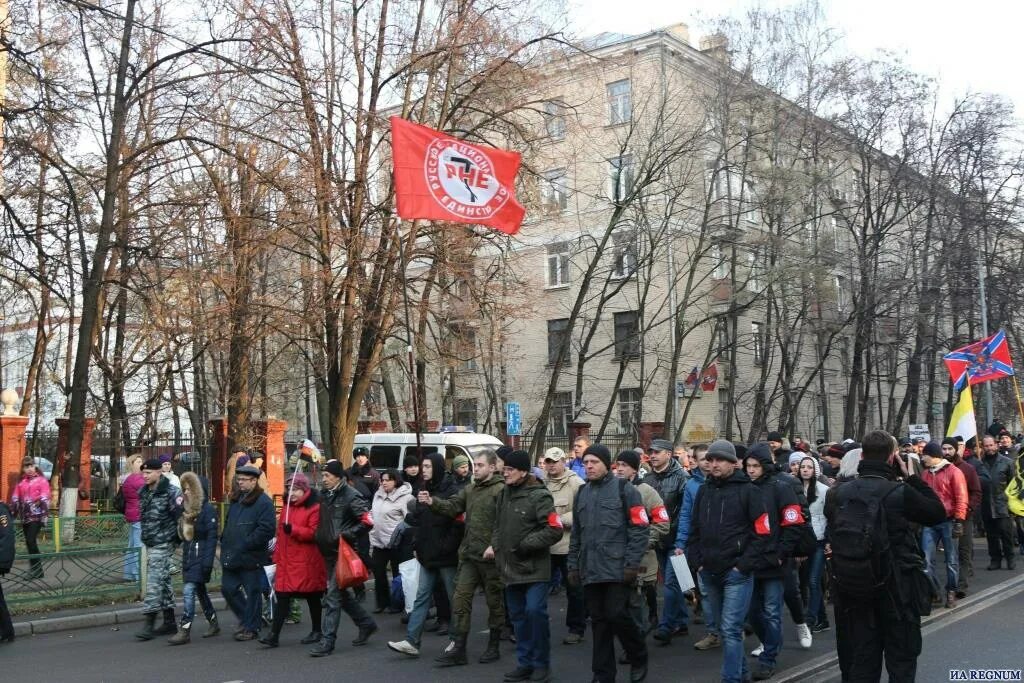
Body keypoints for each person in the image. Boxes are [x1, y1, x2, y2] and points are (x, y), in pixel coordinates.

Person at [824, 430, 946, 682]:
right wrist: (912, 477)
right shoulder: (900, 493)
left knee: (861, 662)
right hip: (897, 590)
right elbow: (936, 512)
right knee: (901, 661)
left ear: (862, 455)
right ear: (892, 458)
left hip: (853, 588)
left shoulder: (838, 493)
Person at [566, 445, 652, 683]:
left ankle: (638, 655)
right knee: (599, 623)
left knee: (617, 615)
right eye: (586, 463)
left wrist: (632, 564)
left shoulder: (625, 490)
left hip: (617, 568)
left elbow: (640, 529)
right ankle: (603, 674)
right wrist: (573, 565)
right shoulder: (582, 493)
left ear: (607, 464)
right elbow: (577, 535)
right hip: (591, 569)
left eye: (594, 462)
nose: (589, 466)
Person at [686, 440, 770, 683]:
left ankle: (730, 678)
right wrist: (697, 561)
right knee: (727, 630)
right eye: (710, 460)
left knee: (732, 629)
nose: (714, 464)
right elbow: (695, 528)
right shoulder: (704, 490)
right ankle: (741, 674)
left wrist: (742, 566)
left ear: (734, 463)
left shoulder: (749, 491)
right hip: (709, 570)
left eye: (719, 460)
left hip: (736, 573)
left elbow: (762, 533)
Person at [424, 450, 506, 666]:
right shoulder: (469, 490)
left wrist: (494, 545)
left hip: (491, 558)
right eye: (474, 465)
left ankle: (494, 645)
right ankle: (459, 649)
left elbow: (505, 523)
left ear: (491, 467)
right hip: (469, 555)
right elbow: (452, 507)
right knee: (460, 600)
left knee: (494, 603)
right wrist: (432, 501)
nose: (475, 468)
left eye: (479, 465)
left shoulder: (501, 491)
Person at [487, 449, 562, 683]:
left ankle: (542, 664)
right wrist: (497, 547)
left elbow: (554, 529)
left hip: (534, 569)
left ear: (522, 471)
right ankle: (525, 663)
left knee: (534, 613)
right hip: (509, 569)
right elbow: (498, 526)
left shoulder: (539, 496)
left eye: (510, 469)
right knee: (518, 617)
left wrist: (526, 544)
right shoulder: (503, 494)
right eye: (505, 468)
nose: (505, 473)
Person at [387, 451, 462, 657]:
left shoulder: (451, 489)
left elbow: (455, 522)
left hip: (446, 555)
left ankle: (457, 641)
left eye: (428, 467)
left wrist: (446, 547)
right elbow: (419, 521)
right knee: (421, 597)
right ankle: (412, 640)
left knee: (454, 598)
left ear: (437, 468)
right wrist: (416, 544)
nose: (424, 470)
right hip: (428, 554)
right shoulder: (423, 488)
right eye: (423, 467)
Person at [743, 444, 807, 680]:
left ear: (765, 465)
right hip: (751, 560)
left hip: (775, 561)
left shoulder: (782, 488)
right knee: (751, 612)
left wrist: (781, 554)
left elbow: (793, 524)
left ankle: (769, 657)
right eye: (748, 466)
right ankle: (769, 642)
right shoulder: (744, 489)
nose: (751, 470)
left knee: (772, 611)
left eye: (755, 466)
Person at [311, 459, 377, 657]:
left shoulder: (351, 495)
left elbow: (367, 521)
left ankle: (327, 641)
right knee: (341, 595)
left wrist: (347, 534)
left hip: (343, 553)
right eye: (323, 476)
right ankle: (366, 624)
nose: (324, 480)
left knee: (332, 597)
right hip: (328, 551)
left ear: (338, 477)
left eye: (327, 476)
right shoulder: (324, 495)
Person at [259, 472, 326, 648]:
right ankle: (274, 635)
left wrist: (294, 530)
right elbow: (281, 535)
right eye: (289, 489)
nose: (292, 493)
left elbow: (314, 533)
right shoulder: (287, 507)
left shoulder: (315, 508)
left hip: (306, 561)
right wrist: (276, 556)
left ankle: (317, 630)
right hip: (287, 561)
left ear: (304, 490)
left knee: (312, 596)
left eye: (296, 489)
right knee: (282, 596)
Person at [614, 450, 670, 639]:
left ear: (635, 470)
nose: (620, 469)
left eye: (625, 466)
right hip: (616, 556)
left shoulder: (646, 492)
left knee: (640, 596)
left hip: (642, 556)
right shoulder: (610, 490)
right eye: (618, 465)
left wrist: (643, 541)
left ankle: (645, 627)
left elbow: (662, 523)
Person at [219, 464, 276, 642]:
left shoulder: (264, 502)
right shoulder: (237, 499)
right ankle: (249, 618)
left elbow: (267, 530)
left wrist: (247, 543)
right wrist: (224, 541)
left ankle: (252, 627)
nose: (240, 483)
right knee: (228, 589)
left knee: (253, 592)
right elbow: (229, 522)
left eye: (244, 480)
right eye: (239, 479)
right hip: (232, 554)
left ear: (254, 481)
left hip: (251, 556)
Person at [643, 438, 689, 645]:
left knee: (671, 582)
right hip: (657, 539)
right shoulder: (648, 479)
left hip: (676, 540)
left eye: (657, 452)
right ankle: (681, 621)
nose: (652, 456)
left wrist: (673, 531)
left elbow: (685, 511)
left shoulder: (682, 478)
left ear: (668, 454)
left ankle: (666, 625)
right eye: (651, 452)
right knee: (675, 582)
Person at [539, 447, 585, 645]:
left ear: (563, 461)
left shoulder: (576, 483)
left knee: (574, 589)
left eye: (555, 461)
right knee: (538, 587)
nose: (551, 465)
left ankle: (576, 628)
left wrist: (560, 519)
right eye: (548, 461)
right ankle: (537, 626)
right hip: (545, 546)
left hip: (568, 546)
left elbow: (584, 511)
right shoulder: (541, 483)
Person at [135, 458, 183, 641]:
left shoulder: (171, 492)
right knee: (163, 580)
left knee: (154, 579)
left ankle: (149, 621)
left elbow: (181, 517)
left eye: (148, 473)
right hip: (150, 541)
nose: (145, 476)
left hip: (165, 542)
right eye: (143, 473)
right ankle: (170, 621)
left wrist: (176, 540)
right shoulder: (144, 492)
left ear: (159, 472)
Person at [170, 472, 219, 645]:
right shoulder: (187, 511)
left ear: (199, 491)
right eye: (184, 489)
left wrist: (207, 563)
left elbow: (212, 539)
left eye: (190, 489)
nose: (186, 493)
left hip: (201, 557)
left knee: (189, 590)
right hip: (190, 556)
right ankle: (213, 622)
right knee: (200, 591)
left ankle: (184, 629)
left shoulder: (208, 511)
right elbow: (184, 536)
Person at [677, 445, 717, 650]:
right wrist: (681, 543)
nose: (706, 463)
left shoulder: (726, 483)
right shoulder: (692, 485)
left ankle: (732, 628)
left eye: (708, 459)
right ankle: (713, 633)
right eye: (701, 459)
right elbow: (685, 515)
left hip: (724, 546)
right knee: (705, 591)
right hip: (700, 545)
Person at [919, 441, 967, 608]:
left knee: (951, 559)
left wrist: (959, 521)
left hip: (949, 520)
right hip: (929, 522)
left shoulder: (954, 472)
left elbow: (961, 497)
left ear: (933, 456)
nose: (922, 457)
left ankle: (951, 591)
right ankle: (934, 591)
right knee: (925, 560)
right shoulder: (925, 474)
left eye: (925, 455)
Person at [369, 469, 414, 614]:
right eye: (382, 480)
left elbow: (410, 520)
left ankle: (397, 603)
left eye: (388, 479)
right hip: (378, 541)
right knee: (378, 572)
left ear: (396, 480)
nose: (384, 482)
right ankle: (382, 602)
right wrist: (368, 518)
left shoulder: (406, 498)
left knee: (397, 575)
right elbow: (373, 512)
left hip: (396, 542)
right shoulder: (378, 494)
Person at [943, 437, 981, 597]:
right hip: (944, 517)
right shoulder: (937, 468)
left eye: (950, 449)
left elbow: (976, 492)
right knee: (949, 553)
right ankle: (950, 583)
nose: (946, 452)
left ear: (955, 450)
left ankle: (961, 585)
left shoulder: (967, 468)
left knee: (964, 550)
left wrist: (968, 508)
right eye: (944, 449)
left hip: (964, 516)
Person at [797, 456, 830, 632]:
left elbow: (830, 515)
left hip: (819, 539)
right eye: (803, 467)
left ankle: (810, 619)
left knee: (813, 580)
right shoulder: (794, 488)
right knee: (806, 581)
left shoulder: (824, 490)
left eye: (809, 467)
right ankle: (822, 619)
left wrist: (828, 539)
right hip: (802, 541)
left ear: (815, 470)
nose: (805, 470)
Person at [977, 435, 1015, 570]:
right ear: (983, 447)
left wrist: (1013, 504)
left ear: (996, 445)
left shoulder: (1007, 462)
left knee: (1006, 533)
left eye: (991, 445)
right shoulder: (979, 464)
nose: (989, 448)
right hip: (986, 504)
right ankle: (995, 559)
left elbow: (1013, 485)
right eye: (986, 446)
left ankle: (1010, 558)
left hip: (1002, 504)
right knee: (991, 535)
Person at [11, 455, 50, 579]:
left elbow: (45, 496)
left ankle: (37, 570)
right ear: (23, 469)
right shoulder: (21, 482)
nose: (29, 469)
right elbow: (15, 498)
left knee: (30, 541)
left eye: (31, 466)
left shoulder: (42, 481)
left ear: (35, 466)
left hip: (37, 517)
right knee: (29, 543)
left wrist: (44, 514)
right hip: (25, 518)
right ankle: (36, 570)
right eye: (26, 466)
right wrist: (11, 514)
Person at [120, 454, 145, 581]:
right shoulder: (137, 479)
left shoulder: (129, 478)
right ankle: (137, 575)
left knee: (132, 545)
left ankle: (129, 574)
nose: (142, 463)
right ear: (132, 464)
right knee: (139, 547)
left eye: (142, 461)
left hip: (133, 514)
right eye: (138, 461)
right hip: (139, 515)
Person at [0, 499, 16, 644]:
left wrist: (3, 561)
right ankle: (6, 631)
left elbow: (6, 537)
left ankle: (6, 631)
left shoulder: (1, 511)